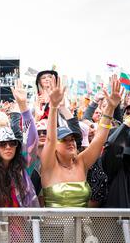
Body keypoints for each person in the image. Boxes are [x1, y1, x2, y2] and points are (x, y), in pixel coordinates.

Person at [40, 75, 121, 207]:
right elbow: (50, 139)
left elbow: (99, 140)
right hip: (55, 227)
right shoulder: (49, 167)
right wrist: (54, 106)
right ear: (54, 147)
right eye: (64, 140)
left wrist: (110, 108)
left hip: (83, 227)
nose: (71, 142)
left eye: (72, 139)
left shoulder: (81, 163)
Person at [0, 80, 39, 207]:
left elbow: (32, 139)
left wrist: (23, 106)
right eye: (2, 144)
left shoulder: (23, 166)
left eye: (12, 143)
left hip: (21, 227)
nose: (8, 147)